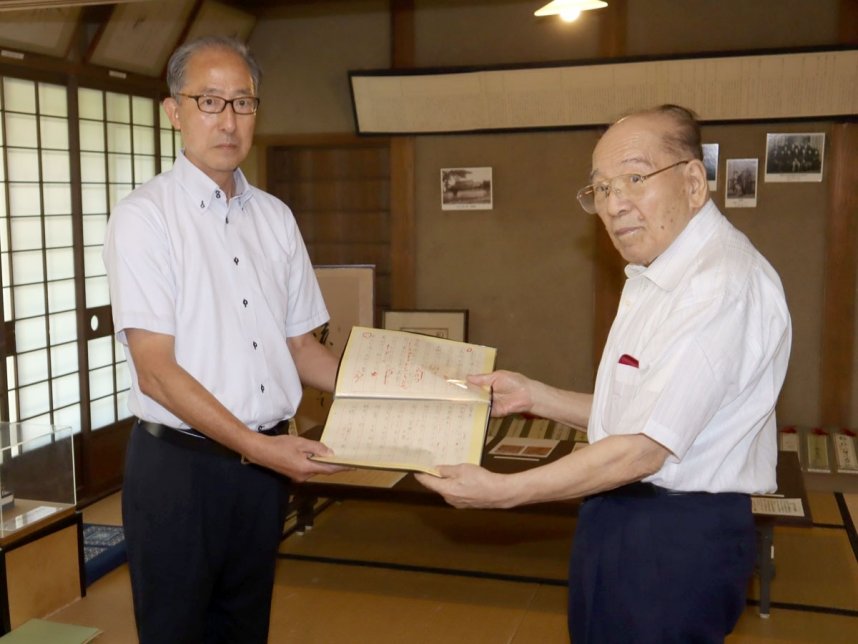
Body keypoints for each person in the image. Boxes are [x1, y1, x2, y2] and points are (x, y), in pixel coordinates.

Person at [417, 104, 792, 644]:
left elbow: (644, 447)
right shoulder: (659, 272)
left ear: (692, 182)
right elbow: (641, 414)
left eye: (635, 179)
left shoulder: (719, 283)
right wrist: (535, 397)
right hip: (621, 516)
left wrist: (503, 492)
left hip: (674, 538)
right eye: (601, 188)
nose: (616, 205)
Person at [103, 36, 346, 643]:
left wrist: (403, 394)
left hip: (263, 470)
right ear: (174, 111)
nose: (229, 120)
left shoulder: (275, 217)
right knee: (177, 632)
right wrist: (259, 451)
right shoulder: (145, 217)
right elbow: (155, 368)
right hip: (179, 470)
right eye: (210, 101)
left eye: (243, 102)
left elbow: (302, 349)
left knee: (244, 627)